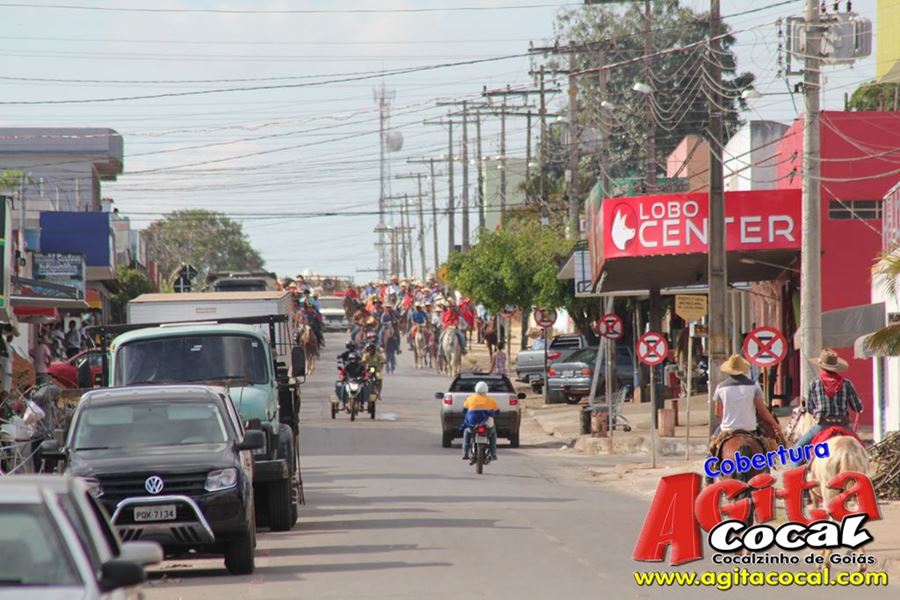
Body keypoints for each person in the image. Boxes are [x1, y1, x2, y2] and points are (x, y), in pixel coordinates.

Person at [789, 348, 863, 467]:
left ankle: (797, 478)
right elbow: (857, 407)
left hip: (822, 426)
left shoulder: (814, 383)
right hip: (844, 426)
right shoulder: (847, 383)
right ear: (836, 367)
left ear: (821, 367)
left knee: (797, 450)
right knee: (862, 450)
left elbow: (810, 408)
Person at [461, 381, 499, 461]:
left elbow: (464, 411)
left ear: (475, 390)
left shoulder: (469, 399)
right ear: (486, 390)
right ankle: (493, 454)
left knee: (467, 433)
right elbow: (497, 412)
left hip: (472, 424)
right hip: (486, 423)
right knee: (493, 434)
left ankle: (465, 453)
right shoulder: (490, 400)